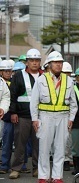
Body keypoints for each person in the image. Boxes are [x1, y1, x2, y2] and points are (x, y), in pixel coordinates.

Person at [30, 51, 77, 183]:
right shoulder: (41, 80)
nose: (58, 65)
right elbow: (34, 102)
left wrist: (71, 119)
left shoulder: (68, 80)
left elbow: (74, 103)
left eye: (60, 62)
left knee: (60, 148)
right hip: (45, 117)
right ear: (49, 64)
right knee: (44, 148)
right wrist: (35, 119)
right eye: (56, 63)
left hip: (63, 117)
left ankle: (57, 177)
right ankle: (43, 177)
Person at [9, 49, 43, 179]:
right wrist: (13, 112)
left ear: (40, 62)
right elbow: (13, 95)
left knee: (38, 144)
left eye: (37, 61)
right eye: (31, 61)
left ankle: (37, 168)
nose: (34, 63)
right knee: (19, 144)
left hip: (40, 116)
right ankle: (16, 168)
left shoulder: (44, 76)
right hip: (22, 116)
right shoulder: (18, 76)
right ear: (27, 62)